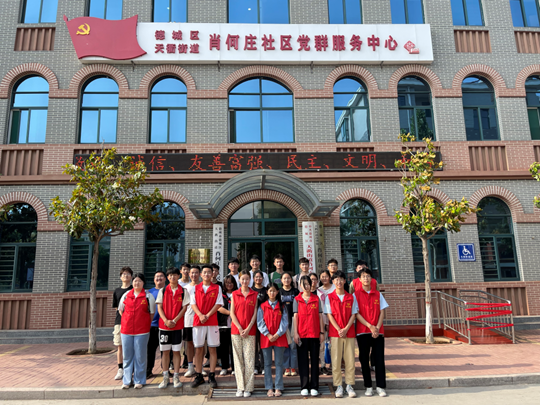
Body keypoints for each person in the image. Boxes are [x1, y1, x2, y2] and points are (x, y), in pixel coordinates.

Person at [354, 268, 389, 397]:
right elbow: (356, 313)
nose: (366, 278)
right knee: (364, 360)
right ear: (359, 279)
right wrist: (370, 326)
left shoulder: (378, 294)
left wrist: (377, 328)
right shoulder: (355, 295)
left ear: (372, 279)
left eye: (368, 276)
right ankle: (368, 386)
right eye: (363, 276)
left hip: (378, 332)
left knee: (379, 359)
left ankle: (380, 386)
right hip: (363, 332)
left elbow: (382, 312)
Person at [118, 272, 155, 389]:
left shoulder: (148, 296)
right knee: (127, 356)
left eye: (139, 281)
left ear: (143, 283)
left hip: (142, 331)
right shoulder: (126, 295)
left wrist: (143, 323)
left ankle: (139, 380)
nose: (136, 283)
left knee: (140, 356)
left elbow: (151, 313)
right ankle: (127, 380)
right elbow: (121, 310)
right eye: (135, 281)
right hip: (126, 330)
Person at [325, 270, 357, 399]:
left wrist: (346, 328)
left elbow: (354, 314)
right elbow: (329, 315)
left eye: (341, 279)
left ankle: (349, 385)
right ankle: (338, 385)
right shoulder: (329, 297)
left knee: (350, 360)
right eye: (336, 279)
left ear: (344, 281)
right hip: (335, 333)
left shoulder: (351, 297)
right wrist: (339, 329)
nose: (339, 282)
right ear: (333, 281)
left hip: (349, 332)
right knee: (336, 360)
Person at [156, 267, 190, 389]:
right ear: (167, 277)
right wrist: (166, 320)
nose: (172, 277)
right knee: (165, 352)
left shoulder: (183, 291)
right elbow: (159, 307)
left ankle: (176, 376)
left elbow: (184, 308)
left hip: (177, 327)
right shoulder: (163, 290)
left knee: (176, 352)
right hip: (164, 327)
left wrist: (175, 320)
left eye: (174, 275)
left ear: (178, 276)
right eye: (170, 275)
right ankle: (165, 377)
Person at [190, 264, 223, 389]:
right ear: (201, 274)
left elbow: (218, 303)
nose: (207, 274)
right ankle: (199, 375)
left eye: (209, 272)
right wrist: (200, 315)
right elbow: (193, 303)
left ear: (212, 274)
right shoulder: (195, 288)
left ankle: (212, 375)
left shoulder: (217, 288)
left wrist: (207, 315)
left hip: (212, 321)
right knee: (198, 349)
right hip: (198, 322)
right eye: (204, 272)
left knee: (212, 349)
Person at [293, 275, 324, 397]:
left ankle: (314, 386)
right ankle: (304, 386)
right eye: (304, 284)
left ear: (312, 285)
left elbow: (320, 316)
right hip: (301, 334)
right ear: (300, 285)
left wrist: (322, 332)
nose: (306, 286)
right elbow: (295, 317)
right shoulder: (297, 299)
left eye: (308, 284)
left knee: (315, 360)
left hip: (314, 334)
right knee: (303, 361)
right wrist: (295, 333)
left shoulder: (316, 299)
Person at [230, 270, 258, 398]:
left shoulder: (254, 294)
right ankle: (240, 387)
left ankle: (248, 387)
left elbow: (255, 313)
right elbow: (232, 313)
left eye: (247, 279)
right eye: (243, 279)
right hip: (236, 331)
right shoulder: (234, 294)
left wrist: (247, 328)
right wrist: (240, 328)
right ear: (239, 280)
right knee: (238, 360)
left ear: (250, 280)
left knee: (249, 360)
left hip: (250, 331)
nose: (245, 281)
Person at [257, 283, 288, 397]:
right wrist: (268, 334)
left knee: (279, 363)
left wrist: (278, 334)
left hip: (279, 337)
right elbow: (260, 322)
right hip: (266, 338)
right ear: (267, 292)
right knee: (267, 364)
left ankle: (278, 387)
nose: (272, 293)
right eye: (270, 291)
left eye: (274, 291)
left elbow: (285, 322)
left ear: (277, 292)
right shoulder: (262, 306)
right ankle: (269, 387)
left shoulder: (282, 306)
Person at [112, 267, 133, 380]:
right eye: (124, 274)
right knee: (120, 346)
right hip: (119, 322)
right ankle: (120, 369)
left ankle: (130, 368)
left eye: (128, 274)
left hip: (132, 322)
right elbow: (116, 307)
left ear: (131, 277)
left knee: (130, 346)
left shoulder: (134, 289)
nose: (126, 276)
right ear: (120, 277)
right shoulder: (117, 291)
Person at [147, 270, 166, 379]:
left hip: (165, 325)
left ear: (165, 279)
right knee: (150, 349)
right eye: (157, 277)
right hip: (152, 325)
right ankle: (148, 370)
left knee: (166, 350)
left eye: (161, 276)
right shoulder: (149, 293)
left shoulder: (168, 290)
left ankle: (165, 370)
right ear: (154, 280)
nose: (159, 278)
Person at [279, 272, 299, 377]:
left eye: (288, 278)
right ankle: (286, 367)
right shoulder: (279, 292)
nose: (286, 280)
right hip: (282, 322)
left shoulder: (295, 291)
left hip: (293, 321)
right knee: (285, 345)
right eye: (284, 278)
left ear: (291, 280)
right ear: (281, 280)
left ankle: (294, 367)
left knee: (293, 345)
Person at [217, 274, 237, 376]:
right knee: (224, 347)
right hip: (223, 324)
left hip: (235, 325)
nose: (229, 285)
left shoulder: (237, 294)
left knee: (234, 348)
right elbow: (219, 308)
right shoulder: (221, 294)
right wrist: (230, 313)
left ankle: (234, 368)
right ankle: (224, 367)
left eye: (231, 283)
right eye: (227, 283)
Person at [183, 265, 200, 377]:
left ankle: (200, 366)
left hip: (200, 319)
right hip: (188, 318)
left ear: (200, 274)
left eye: (196, 272)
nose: (194, 275)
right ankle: (190, 366)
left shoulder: (203, 286)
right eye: (192, 273)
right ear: (189, 274)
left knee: (200, 344)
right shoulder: (185, 288)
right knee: (189, 343)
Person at [317, 270, 334, 375]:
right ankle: (323, 365)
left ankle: (333, 365)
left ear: (330, 277)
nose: (324, 278)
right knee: (322, 345)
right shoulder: (318, 290)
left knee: (333, 345)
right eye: (322, 277)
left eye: (326, 276)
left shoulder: (335, 288)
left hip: (334, 320)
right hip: (322, 320)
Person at [251, 270, 268, 374]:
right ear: (253, 279)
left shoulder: (266, 290)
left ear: (263, 278)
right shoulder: (250, 290)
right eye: (256, 277)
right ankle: (255, 366)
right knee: (254, 344)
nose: (258, 279)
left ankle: (264, 366)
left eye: (260, 277)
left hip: (264, 320)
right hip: (252, 321)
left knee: (263, 344)